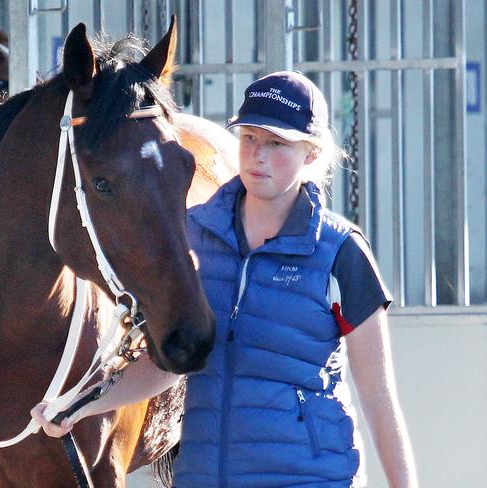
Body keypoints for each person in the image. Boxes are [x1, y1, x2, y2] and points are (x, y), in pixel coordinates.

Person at [32, 71, 418, 487]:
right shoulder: (190, 233)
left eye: (277, 142)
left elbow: (378, 397)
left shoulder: (342, 252)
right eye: (250, 137)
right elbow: (169, 364)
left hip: (311, 479)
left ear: (310, 154)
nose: (258, 155)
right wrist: (79, 406)